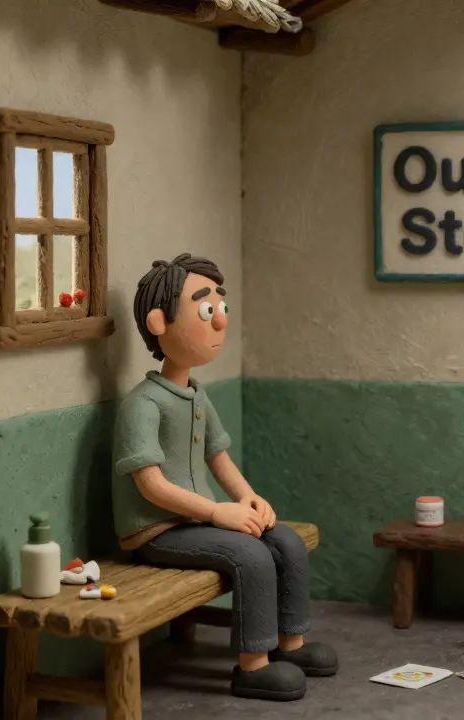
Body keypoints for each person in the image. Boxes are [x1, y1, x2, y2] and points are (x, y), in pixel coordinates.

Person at [113, 254, 338, 702]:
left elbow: (219, 458)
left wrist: (250, 499)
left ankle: (289, 644)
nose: (220, 323)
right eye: (206, 310)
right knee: (251, 556)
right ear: (159, 321)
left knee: (285, 540)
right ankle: (252, 665)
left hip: (196, 522)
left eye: (221, 309)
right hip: (157, 532)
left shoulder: (196, 395)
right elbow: (150, 486)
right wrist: (218, 512)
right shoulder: (143, 404)